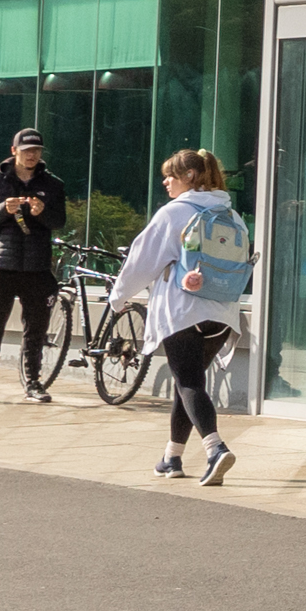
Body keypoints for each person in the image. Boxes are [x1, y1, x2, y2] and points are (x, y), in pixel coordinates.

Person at [114, 148, 253, 481]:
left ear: (190, 176)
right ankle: (171, 458)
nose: (165, 182)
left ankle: (215, 448)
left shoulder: (173, 213)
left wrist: (118, 298)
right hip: (221, 314)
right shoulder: (232, 215)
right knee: (188, 385)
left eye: (171, 175)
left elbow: (141, 262)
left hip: (182, 311)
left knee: (188, 382)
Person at [0, 132, 66, 405]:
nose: (32, 155)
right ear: (14, 150)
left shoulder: (53, 184)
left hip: (37, 267)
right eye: (26, 150)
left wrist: (41, 212)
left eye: (36, 150)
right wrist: (3, 209)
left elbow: (59, 221)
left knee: (36, 329)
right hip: (3, 265)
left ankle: (34, 382)